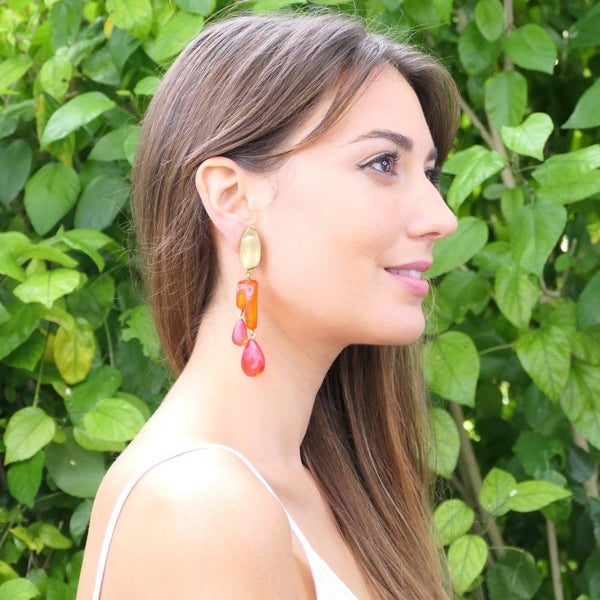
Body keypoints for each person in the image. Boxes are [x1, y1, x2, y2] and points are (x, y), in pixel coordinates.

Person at [76, 11, 460, 600]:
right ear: (233, 197)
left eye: (429, 173)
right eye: (384, 163)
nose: (441, 217)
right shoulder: (202, 505)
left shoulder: (330, 486)